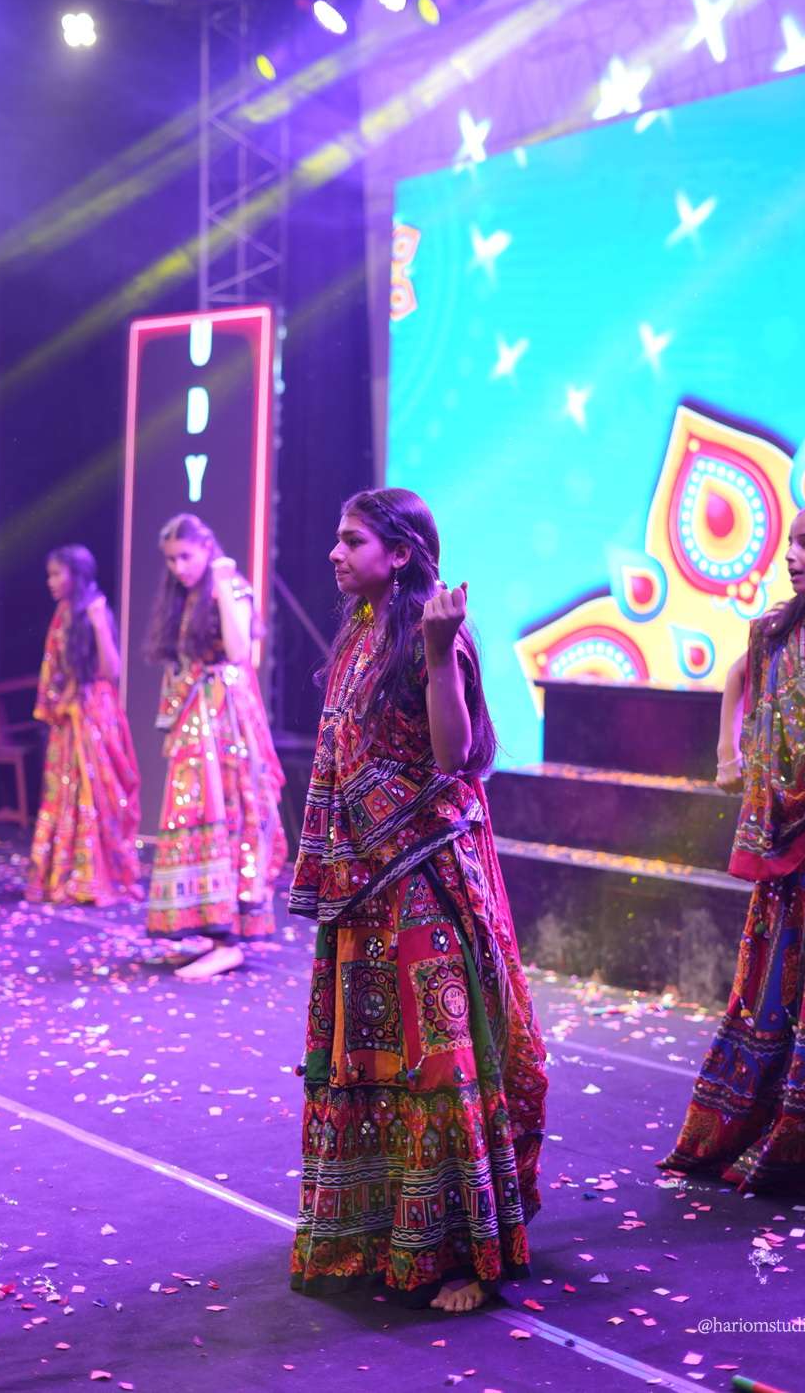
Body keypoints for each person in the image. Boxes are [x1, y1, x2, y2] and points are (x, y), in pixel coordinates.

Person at [288, 487, 548, 1311]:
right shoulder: (361, 628)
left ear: (399, 554)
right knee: (374, 1056)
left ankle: (464, 1252)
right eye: (337, 539)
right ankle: (379, 1228)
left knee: (440, 1057)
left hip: (424, 872)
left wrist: (438, 654)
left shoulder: (434, 634)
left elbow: (453, 755)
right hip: (362, 881)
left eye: (352, 540)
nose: (335, 553)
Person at [660, 501, 805, 1208]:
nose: (790, 555)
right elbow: (736, 678)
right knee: (779, 977)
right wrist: (727, 754)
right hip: (788, 828)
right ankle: (775, 1129)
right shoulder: (777, 631)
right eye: (789, 542)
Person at [145, 513, 285, 980]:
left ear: (207, 548)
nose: (179, 567)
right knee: (195, 817)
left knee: (228, 814)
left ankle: (231, 941)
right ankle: (212, 928)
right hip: (195, 722)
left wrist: (223, 583)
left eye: (186, 556)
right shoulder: (183, 598)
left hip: (225, 724)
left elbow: (239, 651)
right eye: (171, 560)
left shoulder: (231, 588)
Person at [27, 545, 141, 906]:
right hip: (68, 715)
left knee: (97, 792)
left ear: (77, 575)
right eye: (49, 574)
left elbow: (111, 669)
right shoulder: (62, 613)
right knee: (65, 793)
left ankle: (96, 876)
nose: (50, 582)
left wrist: (98, 623)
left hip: (94, 712)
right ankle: (66, 874)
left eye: (57, 574)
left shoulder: (95, 608)